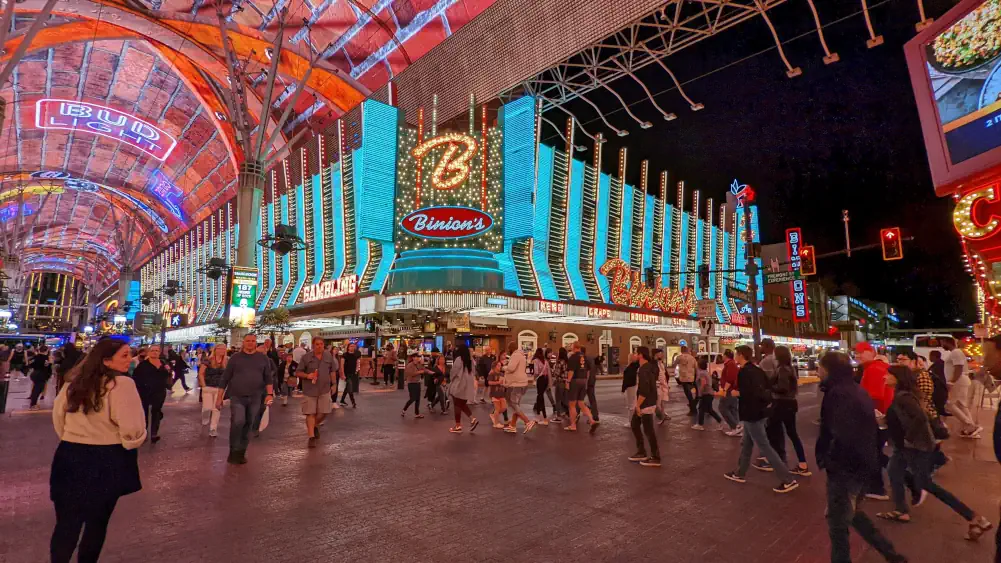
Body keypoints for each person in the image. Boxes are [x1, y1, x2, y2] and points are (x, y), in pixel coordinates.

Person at [49, 338, 146, 563]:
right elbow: (132, 428)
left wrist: (71, 437)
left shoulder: (73, 382)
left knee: (66, 523)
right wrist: (130, 443)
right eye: (124, 355)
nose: (130, 359)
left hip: (69, 456)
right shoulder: (122, 384)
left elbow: (58, 417)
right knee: (96, 523)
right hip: (106, 458)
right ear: (106, 360)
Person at [876, 365, 993, 539]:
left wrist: (908, 437)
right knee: (894, 471)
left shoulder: (904, 397)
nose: (884, 377)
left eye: (888, 375)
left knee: (925, 483)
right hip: (906, 447)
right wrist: (885, 420)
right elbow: (905, 418)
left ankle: (974, 517)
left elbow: (919, 418)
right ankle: (901, 510)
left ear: (898, 378)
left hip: (916, 447)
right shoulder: (903, 395)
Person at [815, 352, 908, 563]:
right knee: (854, 514)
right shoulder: (853, 389)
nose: (817, 370)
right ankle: (891, 554)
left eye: (820, 366)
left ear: (828, 369)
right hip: (860, 463)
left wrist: (829, 459)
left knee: (837, 522)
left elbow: (843, 434)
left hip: (846, 467)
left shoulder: (840, 394)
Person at [723, 345, 799, 493]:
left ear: (741, 355)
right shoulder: (758, 370)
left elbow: (747, 393)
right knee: (747, 444)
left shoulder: (744, 372)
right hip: (761, 412)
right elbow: (766, 387)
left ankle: (787, 479)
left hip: (751, 413)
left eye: (737, 354)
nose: (736, 356)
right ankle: (740, 472)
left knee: (764, 446)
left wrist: (735, 393)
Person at [216, 334, 274, 464]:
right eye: (248, 341)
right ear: (244, 342)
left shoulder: (263, 359)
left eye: (253, 341)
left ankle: (241, 452)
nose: (250, 343)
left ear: (255, 343)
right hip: (237, 396)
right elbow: (225, 378)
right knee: (238, 421)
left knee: (249, 424)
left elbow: (268, 378)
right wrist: (219, 397)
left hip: (256, 397)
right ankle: (233, 451)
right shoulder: (235, 358)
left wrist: (269, 395)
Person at [757, 345, 810, 476]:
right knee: (791, 433)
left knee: (771, 430)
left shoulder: (782, 370)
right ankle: (802, 464)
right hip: (789, 404)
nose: (773, 356)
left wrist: (769, 388)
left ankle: (776, 461)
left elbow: (783, 388)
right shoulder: (789, 368)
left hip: (782, 404)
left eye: (775, 354)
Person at [856, 341, 892, 500]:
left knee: (873, 452)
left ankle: (878, 488)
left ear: (871, 352)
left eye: (861, 352)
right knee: (875, 452)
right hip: (882, 417)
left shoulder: (874, 369)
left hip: (878, 418)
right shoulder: (876, 367)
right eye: (856, 353)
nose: (857, 356)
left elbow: (875, 397)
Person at [296, 337, 336, 448]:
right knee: (310, 413)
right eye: (317, 344)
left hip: (325, 389)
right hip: (310, 390)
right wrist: (307, 375)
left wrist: (334, 384)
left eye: (321, 344)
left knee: (325, 412)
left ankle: (315, 425)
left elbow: (332, 371)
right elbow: (298, 372)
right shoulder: (306, 357)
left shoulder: (328, 356)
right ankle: (311, 437)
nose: (320, 346)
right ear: (313, 346)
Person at [131, 345, 172, 445]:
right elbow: (136, 377)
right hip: (145, 391)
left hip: (159, 391)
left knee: (156, 411)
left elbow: (167, 375)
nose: (155, 352)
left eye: (157, 351)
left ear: (159, 352)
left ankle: (154, 433)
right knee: (144, 413)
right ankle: (144, 433)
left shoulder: (163, 363)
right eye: (152, 350)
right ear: (149, 352)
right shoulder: (143, 365)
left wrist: (168, 372)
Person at [627, 346, 661, 467]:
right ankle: (642, 451)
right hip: (650, 401)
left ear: (641, 355)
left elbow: (644, 389)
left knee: (648, 430)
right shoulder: (650, 367)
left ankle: (655, 457)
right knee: (635, 424)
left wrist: (637, 405)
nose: (635, 355)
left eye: (636, 353)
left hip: (645, 403)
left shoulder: (643, 370)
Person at [941, 337, 981, 438]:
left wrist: (951, 382)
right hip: (961, 380)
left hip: (958, 381)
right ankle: (971, 429)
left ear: (947, 342)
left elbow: (958, 368)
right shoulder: (956, 352)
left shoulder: (956, 352)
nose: (941, 345)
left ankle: (970, 425)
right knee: (961, 405)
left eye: (942, 343)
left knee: (949, 404)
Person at [503, 341, 536, 434]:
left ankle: (527, 422)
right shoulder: (521, 355)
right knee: (516, 405)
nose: (508, 350)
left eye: (508, 348)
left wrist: (504, 367)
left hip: (515, 384)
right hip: (522, 383)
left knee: (513, 404)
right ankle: (512, 426)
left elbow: (511, 368)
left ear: (511, 348)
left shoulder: (515, 355)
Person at [566, 342, 597, 433]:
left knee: (572, 404)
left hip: (575, 380)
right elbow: (588, 371)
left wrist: (568, 381)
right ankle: (592, 420)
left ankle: (573, 425)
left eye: (572, 347)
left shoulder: (573, 357)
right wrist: (586, 381)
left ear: (574, 347)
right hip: (583, 380)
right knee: (581, 402)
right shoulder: (585, 357)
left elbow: (571, 371)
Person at [447, 343, 479, 433]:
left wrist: (451, 379)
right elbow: (473, 371)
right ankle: (471, 419)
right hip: (468, 384)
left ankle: (458, 426)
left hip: (459, 383)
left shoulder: (459, 359)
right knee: (461, 403)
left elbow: (454, 372)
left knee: (457, 404)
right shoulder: (471, 360)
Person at [198, 344, 228, 437]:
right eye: (220, 349)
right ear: (215, 349)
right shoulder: (208, 360)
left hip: (220, 388)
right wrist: (203, 386)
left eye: (224, 349)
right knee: (207, 407)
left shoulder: (227, 361)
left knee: (216, 409)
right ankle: (205, 417)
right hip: (208, 387)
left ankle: (213, 429)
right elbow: (201, 373)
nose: (222, 350)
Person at [693, 356, 721, 430]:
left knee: (701, 408)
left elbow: (703, 383)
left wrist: (700, 393)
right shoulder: (706, 372)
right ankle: (720, 421)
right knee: (709, 409)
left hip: (706, 393)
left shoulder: (702, 373)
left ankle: (700, 424)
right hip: (709, 393)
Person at [719, 349, 741, 436]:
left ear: (726, 356)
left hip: (729, 390)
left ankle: (735, 426)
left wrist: (724, 389)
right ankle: (736, 429)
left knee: (722, 407)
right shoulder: (731, 364)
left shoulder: (730, 364)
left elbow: (730, 378)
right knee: (732, 408)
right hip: (732, 390)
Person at [402, 351, 430, 418]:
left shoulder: (419, 364)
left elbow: (424, 369)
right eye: (417, 357)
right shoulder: (409, 365)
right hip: (411, 383)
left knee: (418, 399)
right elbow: (411, 374)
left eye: (419, 357)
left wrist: (431, 372)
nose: (418, 358)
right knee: (413, 398)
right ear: (413, 358)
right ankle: (404, 409)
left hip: (418, 383)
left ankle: (417, 413)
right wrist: (420, 371)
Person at [28, 344, 53, 410]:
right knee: (37, 390)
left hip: (34, 374)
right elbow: (47, 367)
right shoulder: (46, 358)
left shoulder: (35, 357)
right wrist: (50, 363)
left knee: (35, 389)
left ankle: (34, 403)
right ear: (47, 350)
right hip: (41, 375)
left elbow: (30, 363)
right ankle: (33, 405)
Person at [531, 347, 551, 426]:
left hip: (540, 380)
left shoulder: (536, 361)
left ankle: (545, 418)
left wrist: (534, 379)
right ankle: (538, 415)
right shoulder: (545, 361)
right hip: (545, 380)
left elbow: (536, 372)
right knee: (539, 396)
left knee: (540, 397)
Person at [676, 345, 697, 415]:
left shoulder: (679, 357)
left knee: (689, 395)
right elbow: (696, 367)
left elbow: (673, 364)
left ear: (681, 350)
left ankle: (693, 410)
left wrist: (674, 356)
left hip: (684, 379)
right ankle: (693, 408)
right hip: (691, 378)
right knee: (691, 394)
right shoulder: (692, 358)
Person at [488, 356, 507, 428]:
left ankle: (494, 415)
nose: (500, 366)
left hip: (501, 393)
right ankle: (496, 423)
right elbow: (489, 383)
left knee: (504, 408)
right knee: (497, 408)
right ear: (494, 366)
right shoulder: (492, 374)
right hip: (494, 394)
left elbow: (503, 382)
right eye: (498, 365)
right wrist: (498, 383)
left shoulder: (501, 374)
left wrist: (504, 384)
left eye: (500, 365)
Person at [339, 342, 361, 407]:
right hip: (347, 373)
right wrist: (342, 374)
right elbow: (342, 365)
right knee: (350, 388)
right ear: (348, 347)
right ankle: (353, 403)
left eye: (353, 346)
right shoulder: (345, 355)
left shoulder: (355, 355)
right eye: (351, 346)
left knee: (347, 387)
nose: (352, 347)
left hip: (353, 373)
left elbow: (358, 363)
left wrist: (357, 370)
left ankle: (342, 400)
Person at [551, 347, 569, 423]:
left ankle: (558, 416)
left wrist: (552, 370)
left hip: (560, 382)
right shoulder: (567, 362)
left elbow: (556, 373)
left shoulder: (559, 362)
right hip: (566, 382)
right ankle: (567, 413)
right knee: (565, 399)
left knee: (558, 399)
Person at [654, 348, 671, 425]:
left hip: (661, 385)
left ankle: (662, 415)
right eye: (661, 353)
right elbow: (660, 376)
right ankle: (662, 415)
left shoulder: (661, 364)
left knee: (660, 402)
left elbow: (663, 375)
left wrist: (665, 384)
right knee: (659, 402)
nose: (662, 355)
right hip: (659, 385)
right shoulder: (656, 364)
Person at [622, 353, 639, 428]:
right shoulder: (636, 366)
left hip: (630, 387)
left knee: (631, 405)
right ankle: (634, 421)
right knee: (634, 404)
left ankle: (631, 422)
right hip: (635, 386)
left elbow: (626, 380)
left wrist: (623, 388)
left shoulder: (629, 368)